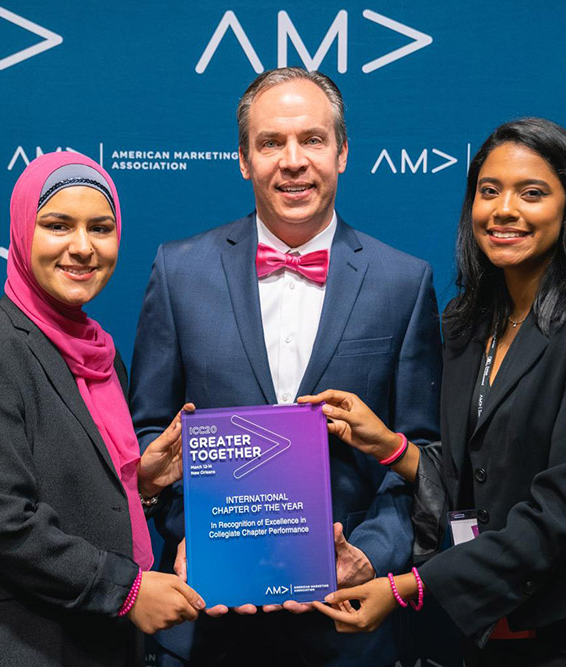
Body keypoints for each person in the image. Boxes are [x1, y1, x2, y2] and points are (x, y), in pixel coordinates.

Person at [305, 117, 566, 666]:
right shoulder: (466, 323)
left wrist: (409, 588)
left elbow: (561, 511)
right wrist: (390, 448)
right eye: (489, 191)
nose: (504, 210)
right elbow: (476, 480)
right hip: (484, 631)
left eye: (532, 193)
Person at [129, 68, 443, 665]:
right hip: (207, 624)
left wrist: (370, 555)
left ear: (343, 152)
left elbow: (423, 452)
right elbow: (149, 434)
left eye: (313, 140)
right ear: (244, 160)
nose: (293, 161)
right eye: (271, 142)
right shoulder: (179, 271)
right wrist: (191, 537)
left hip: (345, 628)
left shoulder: (404, 282)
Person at [0, 152, 205, 667]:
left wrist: (142, 486)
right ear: (23, 233)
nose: (83, 247)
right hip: (10, 647)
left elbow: (71, 494)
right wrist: (130, 591)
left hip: (96, 646)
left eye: (101, 227)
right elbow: (1, 523)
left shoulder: (103, 355)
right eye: (58, 225)